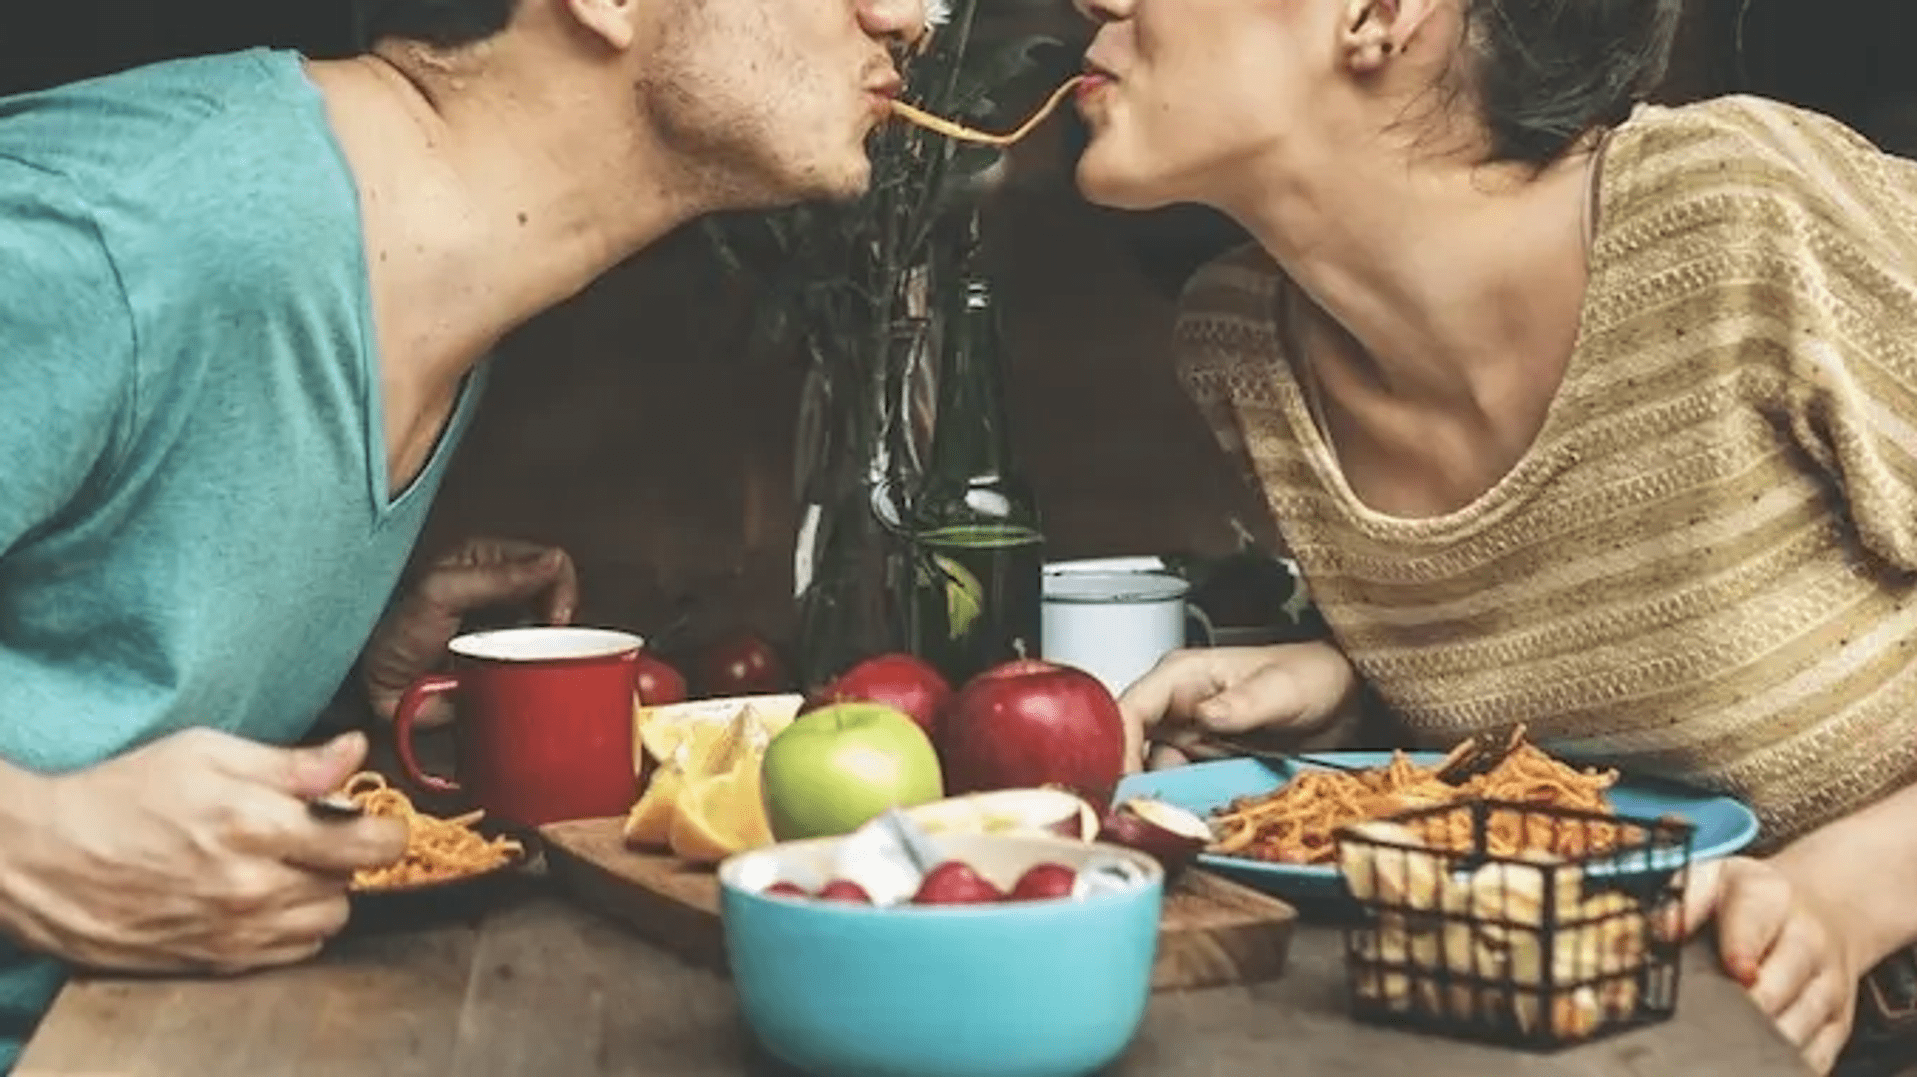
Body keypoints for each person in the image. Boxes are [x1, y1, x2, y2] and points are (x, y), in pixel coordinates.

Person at [0, 0, 925, 1067]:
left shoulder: (434, 273)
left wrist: (343, 690)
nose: (904, 15)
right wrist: (31, 847)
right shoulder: (135, 229)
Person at [1067, 0, 1917, 1072]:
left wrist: (1853, 897)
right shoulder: (1243, 352)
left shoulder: (1743, 216)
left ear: (1378, 14)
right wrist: (1363, 705)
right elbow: (1607, 730)